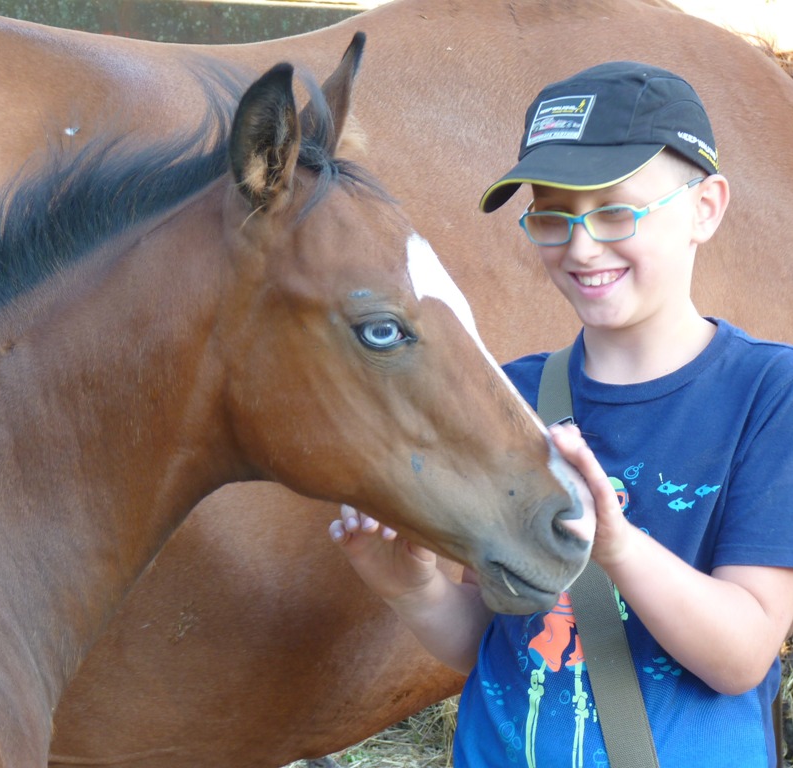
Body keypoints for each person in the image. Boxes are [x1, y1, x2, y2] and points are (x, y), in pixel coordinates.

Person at [328, 61, 793, 767]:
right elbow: (485, 639)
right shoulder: (510, 395)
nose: (580, 246)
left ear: (706, 207)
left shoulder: (770, 392)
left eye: (614, 211)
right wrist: (412, 587)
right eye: (553, 216)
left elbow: (741, 654)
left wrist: (616, 544)